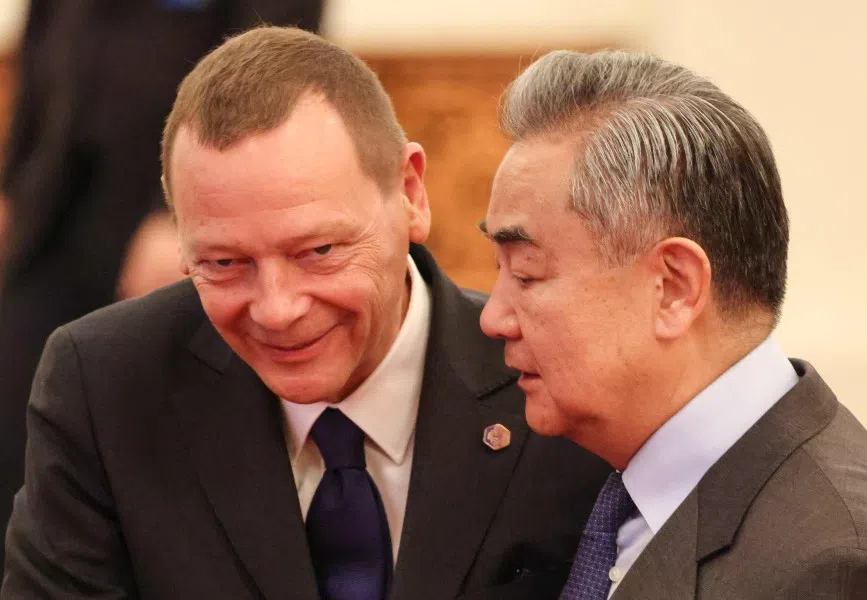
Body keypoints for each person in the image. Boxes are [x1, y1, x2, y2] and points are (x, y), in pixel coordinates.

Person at [1, 27, 609, 599]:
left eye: (319, 251)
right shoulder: (105, 386)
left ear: (410, 194)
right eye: (224, 263)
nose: (277, 310)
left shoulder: (559, 379)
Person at [479, 50, 867, 599]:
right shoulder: (608, 487)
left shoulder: (833, 566)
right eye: (499, 271)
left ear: (674, 287)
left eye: (527, 274)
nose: (493, 318)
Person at [0, 0, 326, 570]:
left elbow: (265, 70)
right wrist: (10, 193)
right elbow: (38, 68)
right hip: (54, 220)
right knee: (18, 427)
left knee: (152, 444)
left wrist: (173, 213)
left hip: (178, 225)